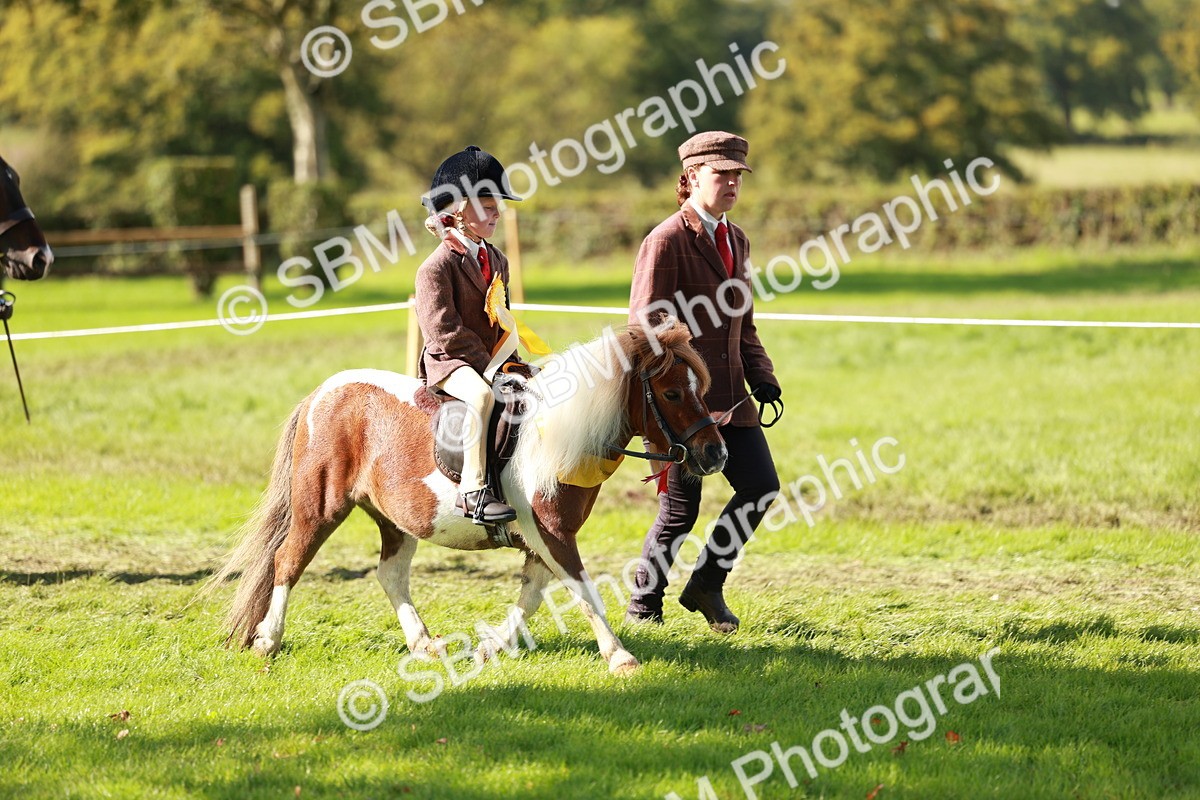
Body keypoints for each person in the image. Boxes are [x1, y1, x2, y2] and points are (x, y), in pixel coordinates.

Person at [624, 131, 782, 633]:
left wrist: (762, 376)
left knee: (760, 487)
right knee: (680, 511)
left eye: (738, 175)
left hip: (734, 397)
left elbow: (744, 323)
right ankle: (643, 607)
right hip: (681, 404)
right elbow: (646, 328)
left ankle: (707, 584)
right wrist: (686, 395)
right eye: (722, 174)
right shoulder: (666, 239)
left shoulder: (738, 239)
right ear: (692, 177)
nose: (732, 183)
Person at [414, 145, 526, 525]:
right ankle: (473, 492)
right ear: (460, 211)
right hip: (450, 363)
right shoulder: (435, 267)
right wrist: (488, 366)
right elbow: (444, 331)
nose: (497, 214)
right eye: (488, 206)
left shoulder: (498, 260)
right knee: (481, 396)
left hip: (490, 358)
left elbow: (501, 318)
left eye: (497, 206)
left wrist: (513, 363)